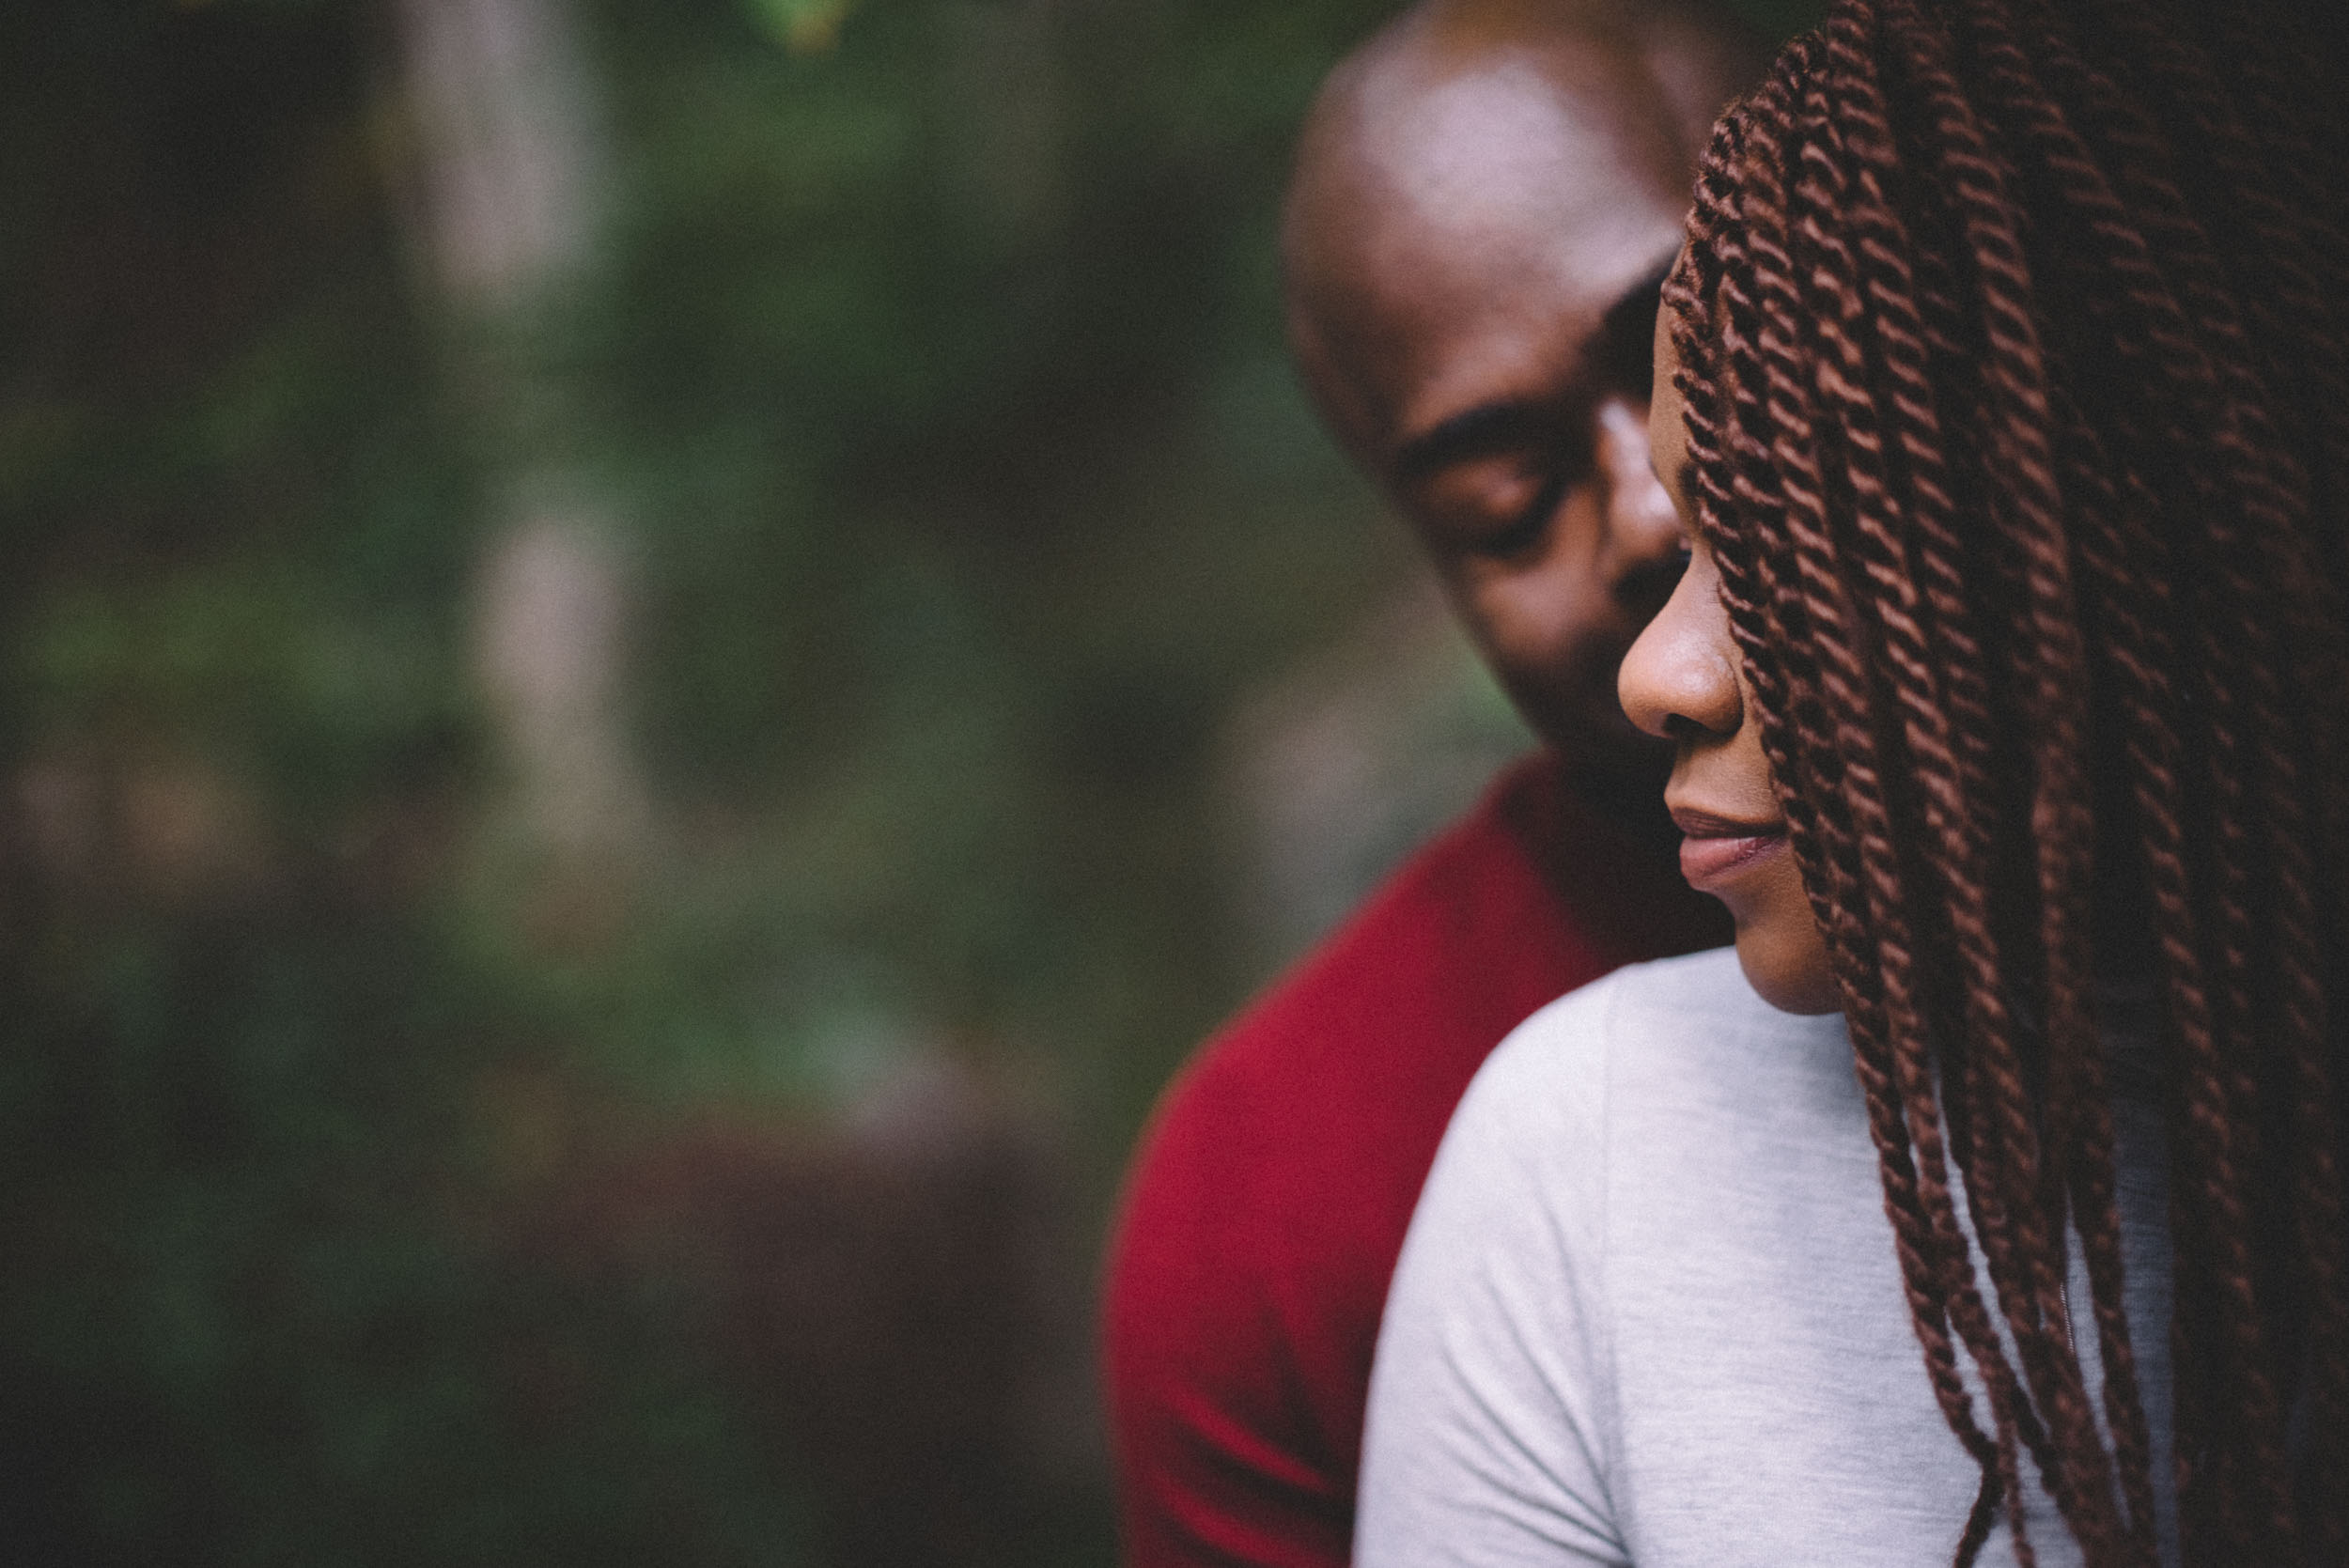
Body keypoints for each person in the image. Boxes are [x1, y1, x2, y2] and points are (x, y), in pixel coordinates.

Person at [1357, 0, 2348, 1563]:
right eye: (1698, 545)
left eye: (1787, 545)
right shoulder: (1593, 1170)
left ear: (2136, 534)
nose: (1656, 675)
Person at [1101, 3, 1761, 1564]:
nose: (1650, 502)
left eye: (1700, 350)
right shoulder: (1276, 1195)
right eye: (1506, 491)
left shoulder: (2247, 875)